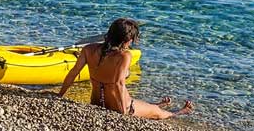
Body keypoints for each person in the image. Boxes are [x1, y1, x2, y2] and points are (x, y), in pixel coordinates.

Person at [57, 18, 193, 120]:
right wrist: (123, 113)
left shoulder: (88, 49)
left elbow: (74, 72)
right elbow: (118, 84)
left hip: (96, 102)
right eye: (132, 39)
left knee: (145, 104)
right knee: (159, 113)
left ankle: (155, 104)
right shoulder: (124, 55)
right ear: (126, 40)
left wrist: (60, 95)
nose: (132, 43)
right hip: (121, 106)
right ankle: (178, 112)